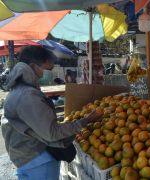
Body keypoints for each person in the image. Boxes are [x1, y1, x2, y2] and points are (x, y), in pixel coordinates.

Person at [1, 46, 103, 180]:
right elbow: (53, 132)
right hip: (38, 160)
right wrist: (87, 120)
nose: (49, 73)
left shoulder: (19, 90)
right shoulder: (28, 96)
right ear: (33, 66)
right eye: (48, 69)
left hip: (25, 157)